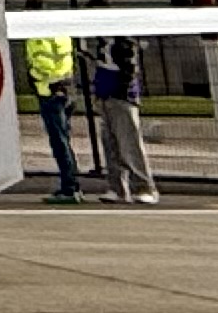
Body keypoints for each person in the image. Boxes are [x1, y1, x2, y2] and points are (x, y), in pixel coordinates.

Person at [91, 38, 158, 204]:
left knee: (129, 144)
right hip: (106, 94)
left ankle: (143, 187)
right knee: (110, 144)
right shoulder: (104, 44)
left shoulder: (123, 43)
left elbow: (129, 68)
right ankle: (117, 187)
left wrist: (122, 90)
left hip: (120, 97)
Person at [23, 33, 85, 203]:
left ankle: (70, 187)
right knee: (64, 139)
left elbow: (41, 66)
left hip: (49, 92)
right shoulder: (62, 35)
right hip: (66, 90)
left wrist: (33, 76)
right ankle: (72, 185)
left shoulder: (37, 38)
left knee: (59, 142)